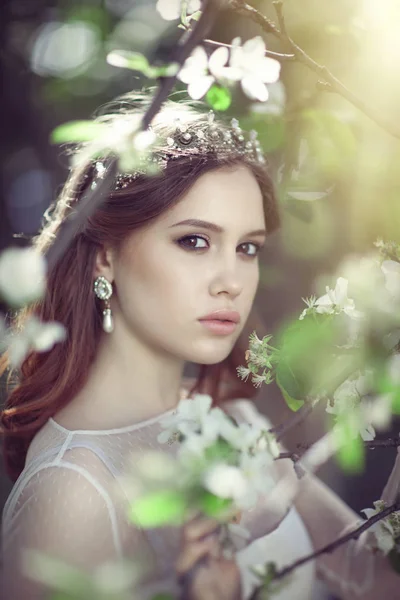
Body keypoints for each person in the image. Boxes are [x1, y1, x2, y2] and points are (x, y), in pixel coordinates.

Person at [0, 90, 399, 600]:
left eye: (247, 247)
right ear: (105, 257)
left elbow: (375, 581)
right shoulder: (73, 491)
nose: (231, 280)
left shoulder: (233, 424)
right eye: (194, 241)